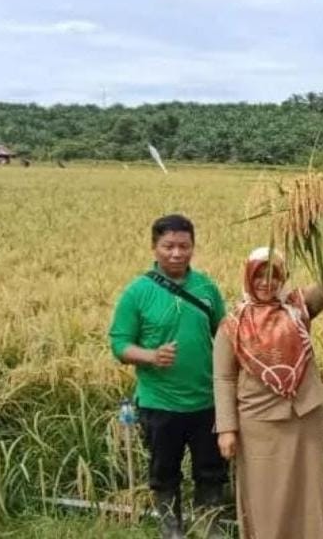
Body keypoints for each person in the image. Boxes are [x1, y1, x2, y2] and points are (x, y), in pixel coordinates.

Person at [108, 214, 228, 539]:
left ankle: (209, 526)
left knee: (211, 472)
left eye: (184, 246)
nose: (176, 253)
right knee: (164, 472)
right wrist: (150, 356)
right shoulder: (138, 292)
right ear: (155, 247)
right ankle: (170, 531)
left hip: (206, 401)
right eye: (169, 246)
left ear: (193, 247)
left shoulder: (206, 288)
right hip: (160, 404)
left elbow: (226, 334)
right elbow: (119, 344)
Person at [213, 247, 323, 539]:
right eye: (259, 276)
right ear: (247, 277)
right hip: (259, 425)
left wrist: (315, 235)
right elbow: (224, 377)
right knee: (266, 498)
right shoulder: (233, 324)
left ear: (283, 277)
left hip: (304, 418)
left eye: (274, 275)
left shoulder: (298, 307)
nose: (266, 283)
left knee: (308, 493)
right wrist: (227, 429)